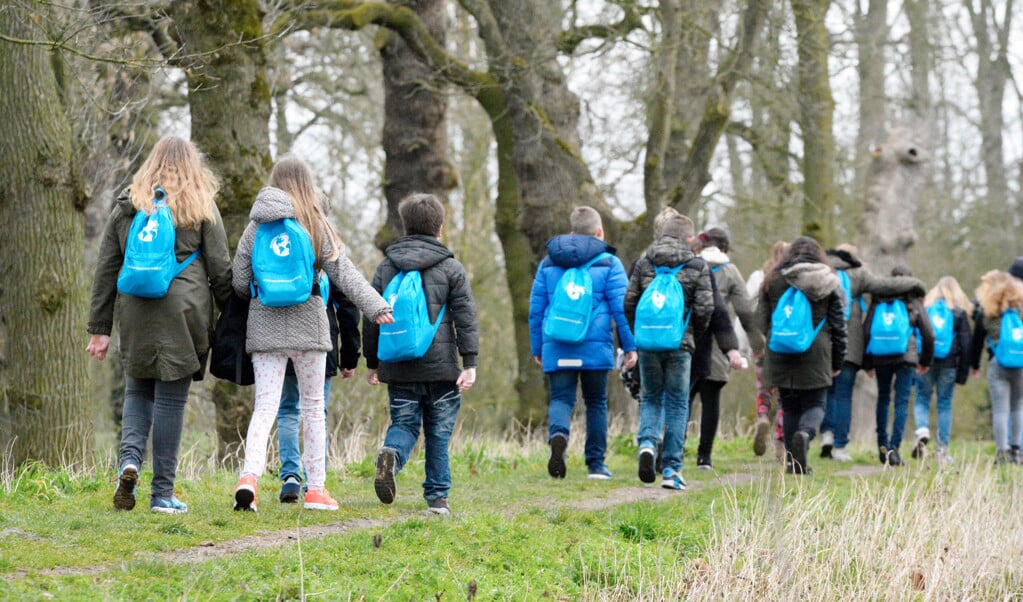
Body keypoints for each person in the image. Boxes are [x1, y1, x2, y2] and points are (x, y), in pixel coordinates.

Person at [231, 157, 392, 512]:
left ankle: (248, 479)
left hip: (265, 327)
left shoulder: (256, 225)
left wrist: (264, 291)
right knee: (314, 409)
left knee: (266, 408)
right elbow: (344, 274)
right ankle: (316, 490)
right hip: (310, 327)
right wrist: (377, 306)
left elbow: (239, 282)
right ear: (307, 183)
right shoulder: (317, 222)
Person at [87, 135, 233, 514]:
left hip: (135, 310)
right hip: (182, 312)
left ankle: (129, 463)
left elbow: (107, 269)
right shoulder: (200, 204)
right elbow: (220, 270)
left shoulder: (129, 203)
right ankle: (162, 494)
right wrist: (233, 316)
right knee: (170, 399)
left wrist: (100, 328)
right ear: (192, 164)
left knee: (137, 392)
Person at [364, 193, 479, 516]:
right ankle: (438, 498)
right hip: (442, 371)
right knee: (438, 433)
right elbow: (466, 317)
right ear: (439, 229)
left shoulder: (387, 267)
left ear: (405, 226)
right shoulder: (451, 268)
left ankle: (392, 454)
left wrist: (372, 363)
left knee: (404, 424)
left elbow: (371, 317)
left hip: (398, 366)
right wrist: (469, 363)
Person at [529, 206, 637, 480]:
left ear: (571, 231)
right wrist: (629, 346)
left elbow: (536, 309)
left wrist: (537, 346)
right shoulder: (610, 264)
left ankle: (558, 435)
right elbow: (621, 310)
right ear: (599, 232)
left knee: (562, 398)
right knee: (596, 402)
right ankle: (596, 465)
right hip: (595, 346)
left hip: (557, 342)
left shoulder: (548, 263)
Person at [624, 212, 714, 490]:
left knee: (651, 397)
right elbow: (705, 308)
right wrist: (690, 335)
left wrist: (640, 334)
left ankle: (647, 445)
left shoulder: (644, 261)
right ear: (690, 238)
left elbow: (629, 302)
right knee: (677, 403)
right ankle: (672, 470)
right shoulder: (697, 265)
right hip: (679, 345)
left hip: (648, 343)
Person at [820, 245, 926, 462]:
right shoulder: (858, 275)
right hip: (850, 346)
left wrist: (869, 362)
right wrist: (916, 284)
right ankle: (843, 447)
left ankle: (825, 435)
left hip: (819, 342)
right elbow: (883, 286)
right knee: (844, 396)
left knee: (823, 393)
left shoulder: (821, 272)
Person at [757, 236, 847, 475]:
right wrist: (837, 361)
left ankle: (792, 463)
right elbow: (839, 327)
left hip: (780, 350)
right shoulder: (828, 281)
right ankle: (805, 434)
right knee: (816, 403)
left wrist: (773, 342)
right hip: (817, 353)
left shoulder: (774, 280)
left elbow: (760, 320)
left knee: (789, 406)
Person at [276, 286, 361, 503]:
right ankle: (315, 484)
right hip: (319, 341)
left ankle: (290, 478)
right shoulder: (325, 254)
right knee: (316, 412)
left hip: (281, 338)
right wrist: (349, 356)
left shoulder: (278, 253)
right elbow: (348, 309)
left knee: (288, 410)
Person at [689, 228, 763, 469]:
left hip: (686, 341)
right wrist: (758, 346)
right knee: (711, 401)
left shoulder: (688, 265)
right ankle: (704, 458)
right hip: (718, 345)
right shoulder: (730, 272)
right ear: (724, 247)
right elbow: (745, 313)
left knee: (681, 400)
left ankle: (670, 451)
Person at [863, 265, 934, 467]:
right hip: (906, 358)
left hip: (880, 357)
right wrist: (925, 361)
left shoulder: (878, 300)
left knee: (883, 399)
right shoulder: (912, 300)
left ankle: (882, 447)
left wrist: (867, 362)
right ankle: (894, 450)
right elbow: (928, 333)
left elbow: (866, 330)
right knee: (901, 402)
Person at [912, 276, 972, 463]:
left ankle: (922, 429)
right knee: (944, 404)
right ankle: (942, 451)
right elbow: (966, 345)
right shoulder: (959, 313)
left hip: (925, 362)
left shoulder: (926, 309)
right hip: (949, 363)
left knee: (922, 398)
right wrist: (962, 374)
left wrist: (919, 361)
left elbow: (915, 336)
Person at [968, 267, 1023, 464]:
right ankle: (1017, 451)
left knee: (1000, 410)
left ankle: (1002, 452)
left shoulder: (988, 313)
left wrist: (974, 365)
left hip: (997, 363)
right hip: (1021, 364)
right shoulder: (1021, 311)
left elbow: (976, 342)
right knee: (1018, 407)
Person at [749, 241, 789, 459]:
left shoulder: (762, 277)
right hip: (785, 346)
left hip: (764, 346)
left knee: (764, 390)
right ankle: (780, 442)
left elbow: (752, 315)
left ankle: (763, 416)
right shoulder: (793, 279)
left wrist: (754, 346)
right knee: (784, 395)